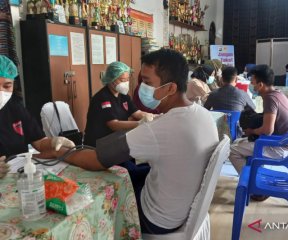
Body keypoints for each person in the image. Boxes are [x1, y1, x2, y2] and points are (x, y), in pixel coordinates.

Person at [38, 49, 219, 234]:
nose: (141, 88)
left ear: (171, 88)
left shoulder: (162, 128)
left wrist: (58, 152)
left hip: (156, 218)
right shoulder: (203, 115)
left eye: (147, 83)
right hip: (183, 208)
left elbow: (95, 160)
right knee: (128, 172)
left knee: (105, 191)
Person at [0, 55, 75, 178]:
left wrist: (54, 142)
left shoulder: (15, 108)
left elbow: (39, 142)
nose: (1, 92)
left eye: (7, 86)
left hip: (20, 178)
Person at [229, 64, 288, 174]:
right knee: (237, 141)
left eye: (253, 82)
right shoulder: (277, 93)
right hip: (283, 142)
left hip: (278, 147)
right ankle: (254, 173)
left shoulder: (270, 99)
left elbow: (267, 130)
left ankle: (249, 180)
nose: (251, 85)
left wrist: (251, 131)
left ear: (260, 85)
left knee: (232, 150)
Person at [84, 61, 153, 147]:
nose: (126, 83)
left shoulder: (124, 96)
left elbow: (137, 113)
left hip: (114, 140)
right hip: (98, 144)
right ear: (111, 79)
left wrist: (154, 117)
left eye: (128, 79)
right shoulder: (102, 98)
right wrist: (140, 124)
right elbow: (114, 124)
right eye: (123, 80)